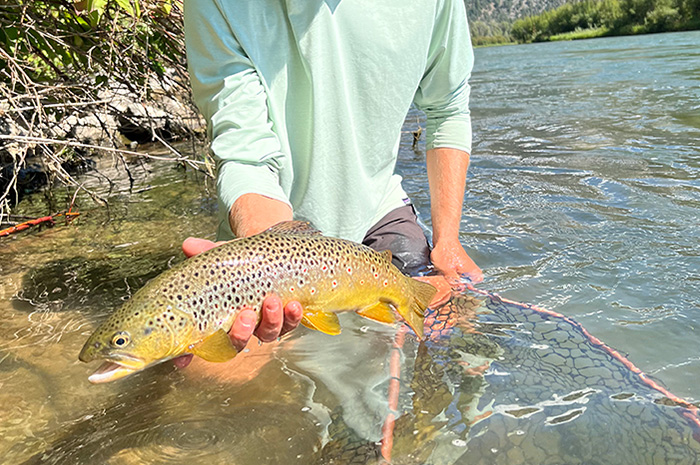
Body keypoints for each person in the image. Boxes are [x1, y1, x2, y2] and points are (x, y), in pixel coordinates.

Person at [178, 0, 483, 358]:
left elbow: (447, 107)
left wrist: (447, 241)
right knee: (207, 380)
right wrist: (271, 262)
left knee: (457, 337)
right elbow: (246, 154)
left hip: (377, 213)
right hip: (267, 234)